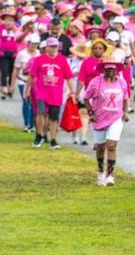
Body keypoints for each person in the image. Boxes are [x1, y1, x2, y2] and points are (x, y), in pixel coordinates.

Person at [82, 55, 129, 186]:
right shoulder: (96, 82)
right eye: (107, 69)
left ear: (116, 70)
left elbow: (125, 97)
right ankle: (100, 172)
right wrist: (90, 113)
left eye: (112, 69)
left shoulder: (121, 82)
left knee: (112, 146)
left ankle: (110, 175)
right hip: (99, 118)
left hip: (116, 118)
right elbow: (86, 97)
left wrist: (125, 112)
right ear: (103, 69)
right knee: (101, 147)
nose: (110, 71)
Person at [26, 37, 76, 149]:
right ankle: (39, 136)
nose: (53, 49)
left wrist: (73, 91)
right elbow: (31, 75)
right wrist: (27, 89)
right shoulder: (39, 59)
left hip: (56, 93)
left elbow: (69, 77)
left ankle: (53, 140)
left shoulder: (62, 60)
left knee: (54, 118)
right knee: (40, 113)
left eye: (55, 47)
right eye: (51, 46)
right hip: (41, 92)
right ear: (46, 47)